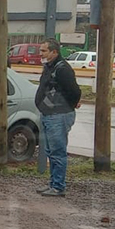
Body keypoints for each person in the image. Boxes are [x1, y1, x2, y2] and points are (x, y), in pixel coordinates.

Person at [35, 38, 81, 197]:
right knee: (51, 151)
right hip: (49, 115)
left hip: (58, 116)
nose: (41, 54)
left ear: (54, 52)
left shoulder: (62, 69)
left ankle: (58, 187)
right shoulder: (50, 67)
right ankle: (53, 183)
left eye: (44, 51)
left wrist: (70, 105)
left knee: (57, 152)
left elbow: (74, 91)